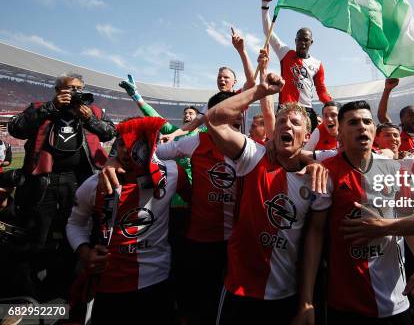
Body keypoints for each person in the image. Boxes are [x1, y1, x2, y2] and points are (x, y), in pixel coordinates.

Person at [294, 100, 414, 324]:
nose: (362, 127)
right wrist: (307, 300)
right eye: (353, 122)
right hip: (346, 305)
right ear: (340, 131)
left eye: (367, 122)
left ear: (373, 130)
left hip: (398, 302)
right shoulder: (327, 172)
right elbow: (315, 234)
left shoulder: (393, 169)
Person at [202, 71, 330, 324]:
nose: (286, 125)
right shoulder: (254, 156)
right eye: (281, 121)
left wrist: (306, 301)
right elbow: (213, 120)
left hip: (287, 295)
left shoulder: (319, 178)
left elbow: (313, 241)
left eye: (294, 123)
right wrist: (260, 91)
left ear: (307, 137)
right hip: (239, 292)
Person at [66, 116, 190, 324]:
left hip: (158, 281)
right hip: (110, 284)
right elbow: (75, 223)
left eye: (132, 144)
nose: (125, 150)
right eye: (121, 143)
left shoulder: (172, 173)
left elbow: (195, 202)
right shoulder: (95, 184)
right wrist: (84, 252)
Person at [8, 72, 115, 300]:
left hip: (78, 181)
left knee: (76, 234)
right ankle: (31, 293)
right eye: (70, 88)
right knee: (38, 234)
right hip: (43, 182)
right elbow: (16, 129)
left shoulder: (92, 112)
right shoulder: (41, 107)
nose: (75, 93)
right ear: (58, 90)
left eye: (78, 88)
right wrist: (50, 108)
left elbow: (109, 133)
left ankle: (67, 289)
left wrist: (89, 119)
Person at [154, 91, 240, 325]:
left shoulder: (250, 149)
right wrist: (114, 160)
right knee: (196, 303)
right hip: (199, 240)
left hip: (236, 243)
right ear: (209, 117)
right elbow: (153, 155)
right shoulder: (195, 142)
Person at [261, 0, 333, 131]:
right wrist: (264, 6)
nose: (302, 43)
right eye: (299, 39)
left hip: (306, 109)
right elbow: (268, 32)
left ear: (311, 42)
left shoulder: (317, 64)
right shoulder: (285, 53)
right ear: (295, 41)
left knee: (308, 148)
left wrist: (331, 103)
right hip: (286, 108)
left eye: (306, 40)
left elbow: (321, 90)